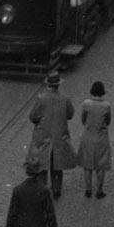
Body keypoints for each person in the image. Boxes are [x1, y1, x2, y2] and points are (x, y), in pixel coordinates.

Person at [26, 71, 79, 199]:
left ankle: (43, 188)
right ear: (58, 85)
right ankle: (56, 189)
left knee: (43, 164)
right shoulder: (65, 99)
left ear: (48, 84)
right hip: (59, 137)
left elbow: (33, 117)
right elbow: (70, 114)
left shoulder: (41, 98)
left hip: (43, 137)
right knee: (57, 165)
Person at [76, 80, 112, 199]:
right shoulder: (107, 105)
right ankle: (99, 191)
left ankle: (88, 190)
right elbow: (108, 121)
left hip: (88, 136)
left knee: (88, 165)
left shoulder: (86, 103)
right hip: (101, 138)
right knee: (100, 165)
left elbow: (83, 119)